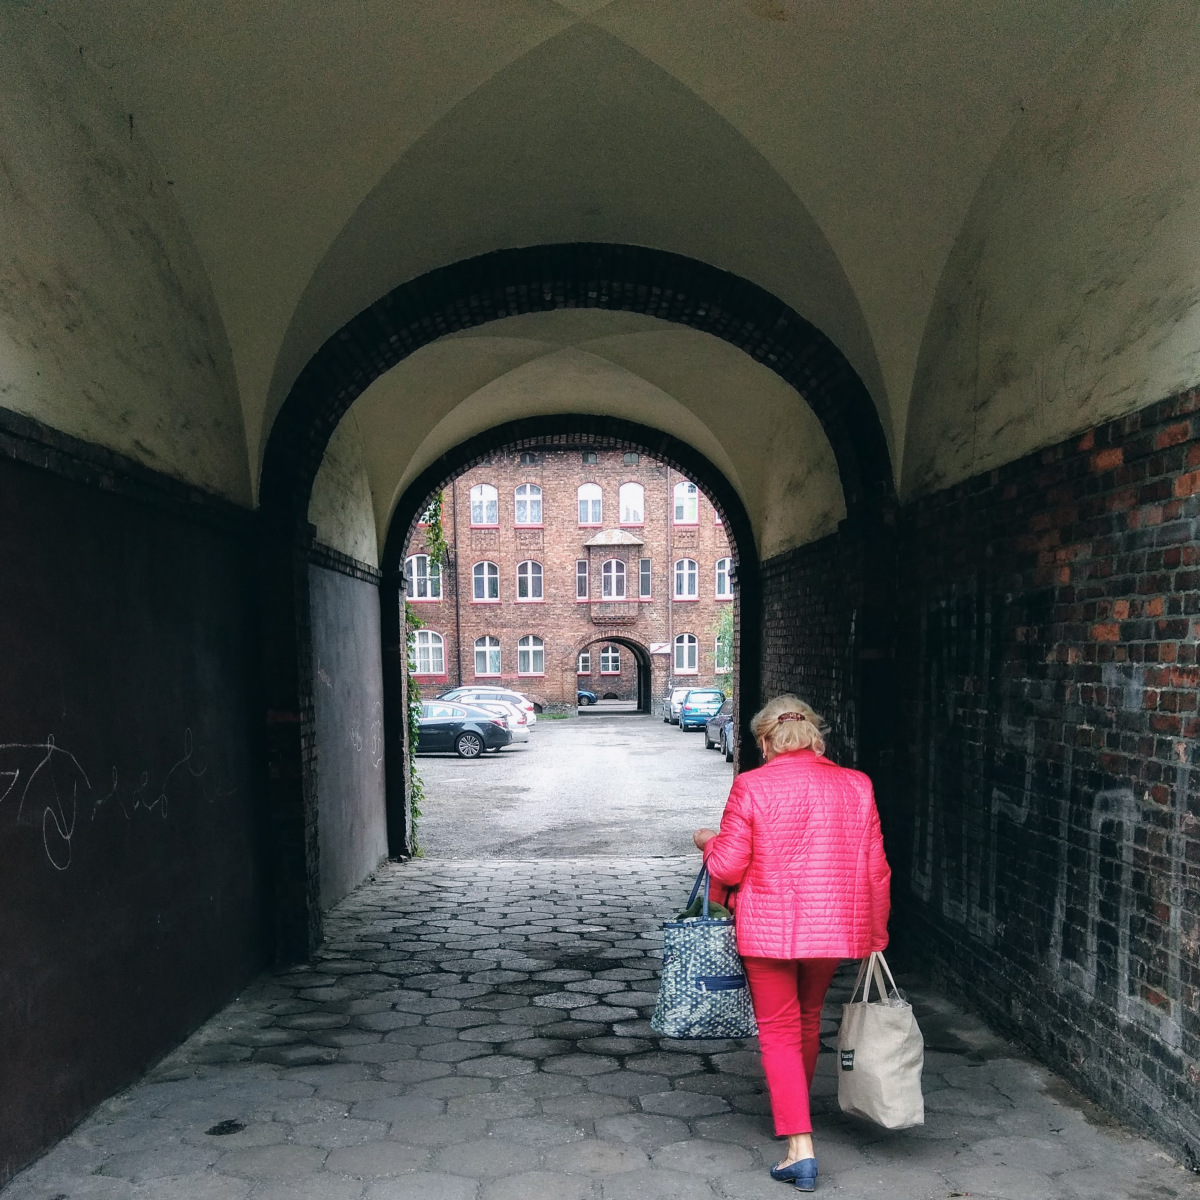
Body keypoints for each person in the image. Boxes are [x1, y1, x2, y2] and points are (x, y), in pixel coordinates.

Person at [693, 695, 891, 1193]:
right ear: (815, 737)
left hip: (768, 929)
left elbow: (727, 867)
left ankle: (800, 1148)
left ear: (765, 742)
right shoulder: (858, 785)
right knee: (807, 1019)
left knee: (778, 1030)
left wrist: (707, 841)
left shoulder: (751, 786)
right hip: (832, 929)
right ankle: (794, 1111)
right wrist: (875, 934)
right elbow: (876, 870)